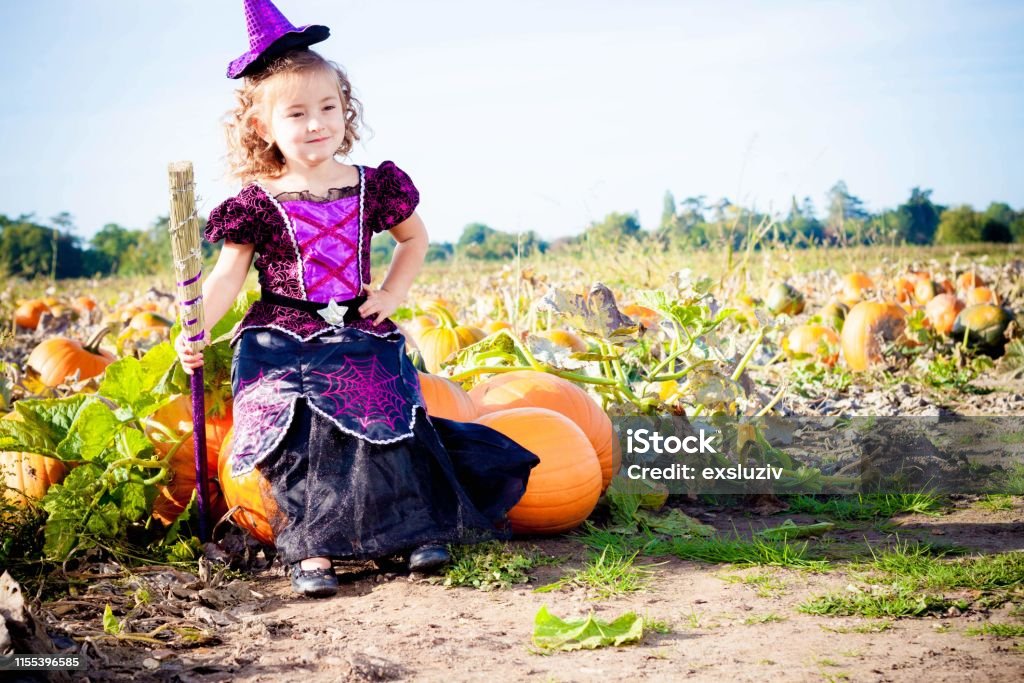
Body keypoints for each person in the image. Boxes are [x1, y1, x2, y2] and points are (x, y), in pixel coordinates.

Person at [174, 0, 539, 599]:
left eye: (329, 108)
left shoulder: (372, 183)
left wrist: (392, 291)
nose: (316, 123)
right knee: (294, 428)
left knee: (386, 418)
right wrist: (195, 328)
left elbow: (415, 238)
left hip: (358, 325)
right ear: (263, 126)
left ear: (346, 112)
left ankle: (409, 531)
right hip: (281, 335)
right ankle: (311, 545)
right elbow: (226, 277)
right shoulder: (256, 201)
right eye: (297, 113)